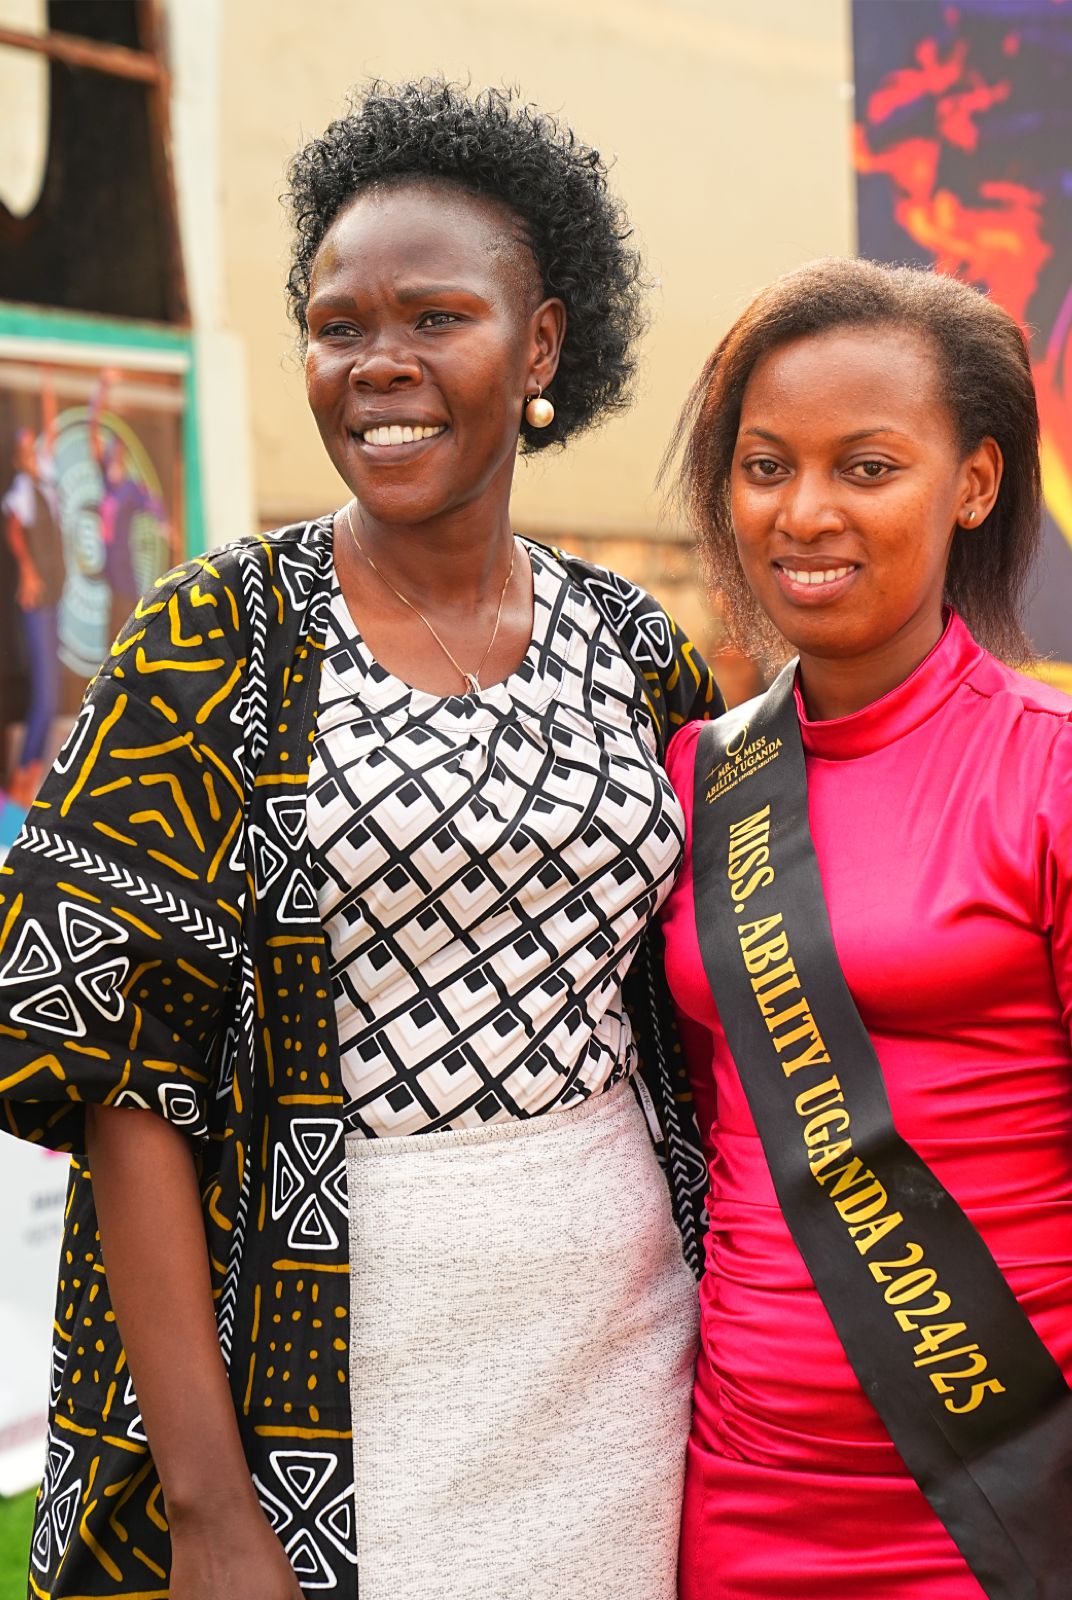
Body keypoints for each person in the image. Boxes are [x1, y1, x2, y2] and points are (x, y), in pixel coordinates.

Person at [0, 80, 719, 1600]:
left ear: (538, 346)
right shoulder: (213, 640)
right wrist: (206, 1504)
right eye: (338, 325)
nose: (378, 364)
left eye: (435, 316)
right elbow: (116, 1076)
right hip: (313, 1345)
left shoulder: (637, 648)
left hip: (621, 1337)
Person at [659, 257, 1072, 1599]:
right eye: (766, 465)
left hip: (1008, 1507)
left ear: (973, 482)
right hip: (738, 1497)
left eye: (868, 466)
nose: (804, 512)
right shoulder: (695, 778)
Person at [2, 374, 64, 810]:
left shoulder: (44, 479)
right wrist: (27, 572)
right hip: (38, 599)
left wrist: (46, 391)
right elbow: (12, 528)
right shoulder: (23, 488)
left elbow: (53, 432)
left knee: (53, 691)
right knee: (44, 692)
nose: (32, 451)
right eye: (25, 447)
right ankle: (22, 778)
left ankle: (28, 776)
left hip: (56, 595)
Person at [89, 369, 168, 647]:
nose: (114, 456)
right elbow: (93, 428)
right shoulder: (106, 480)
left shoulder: (131, 488)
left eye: (118, 453)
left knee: (129, 616)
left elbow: (153, 503)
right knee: (112, 620)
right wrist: (102, 389)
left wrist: (163, 524)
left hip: (124, 565)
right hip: (109, 563)